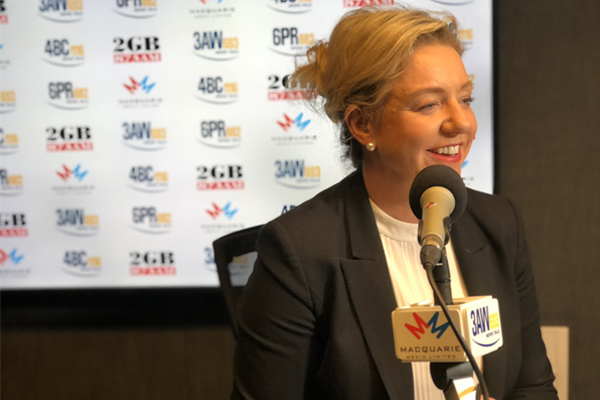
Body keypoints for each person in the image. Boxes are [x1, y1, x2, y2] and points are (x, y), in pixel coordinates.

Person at [232, 6, 558, 400]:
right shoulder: (298, 251)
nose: (462, 123)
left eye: (465, 98)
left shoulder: (498, 223)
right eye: (429, 105)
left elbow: (531, 386)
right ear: (362, 124)